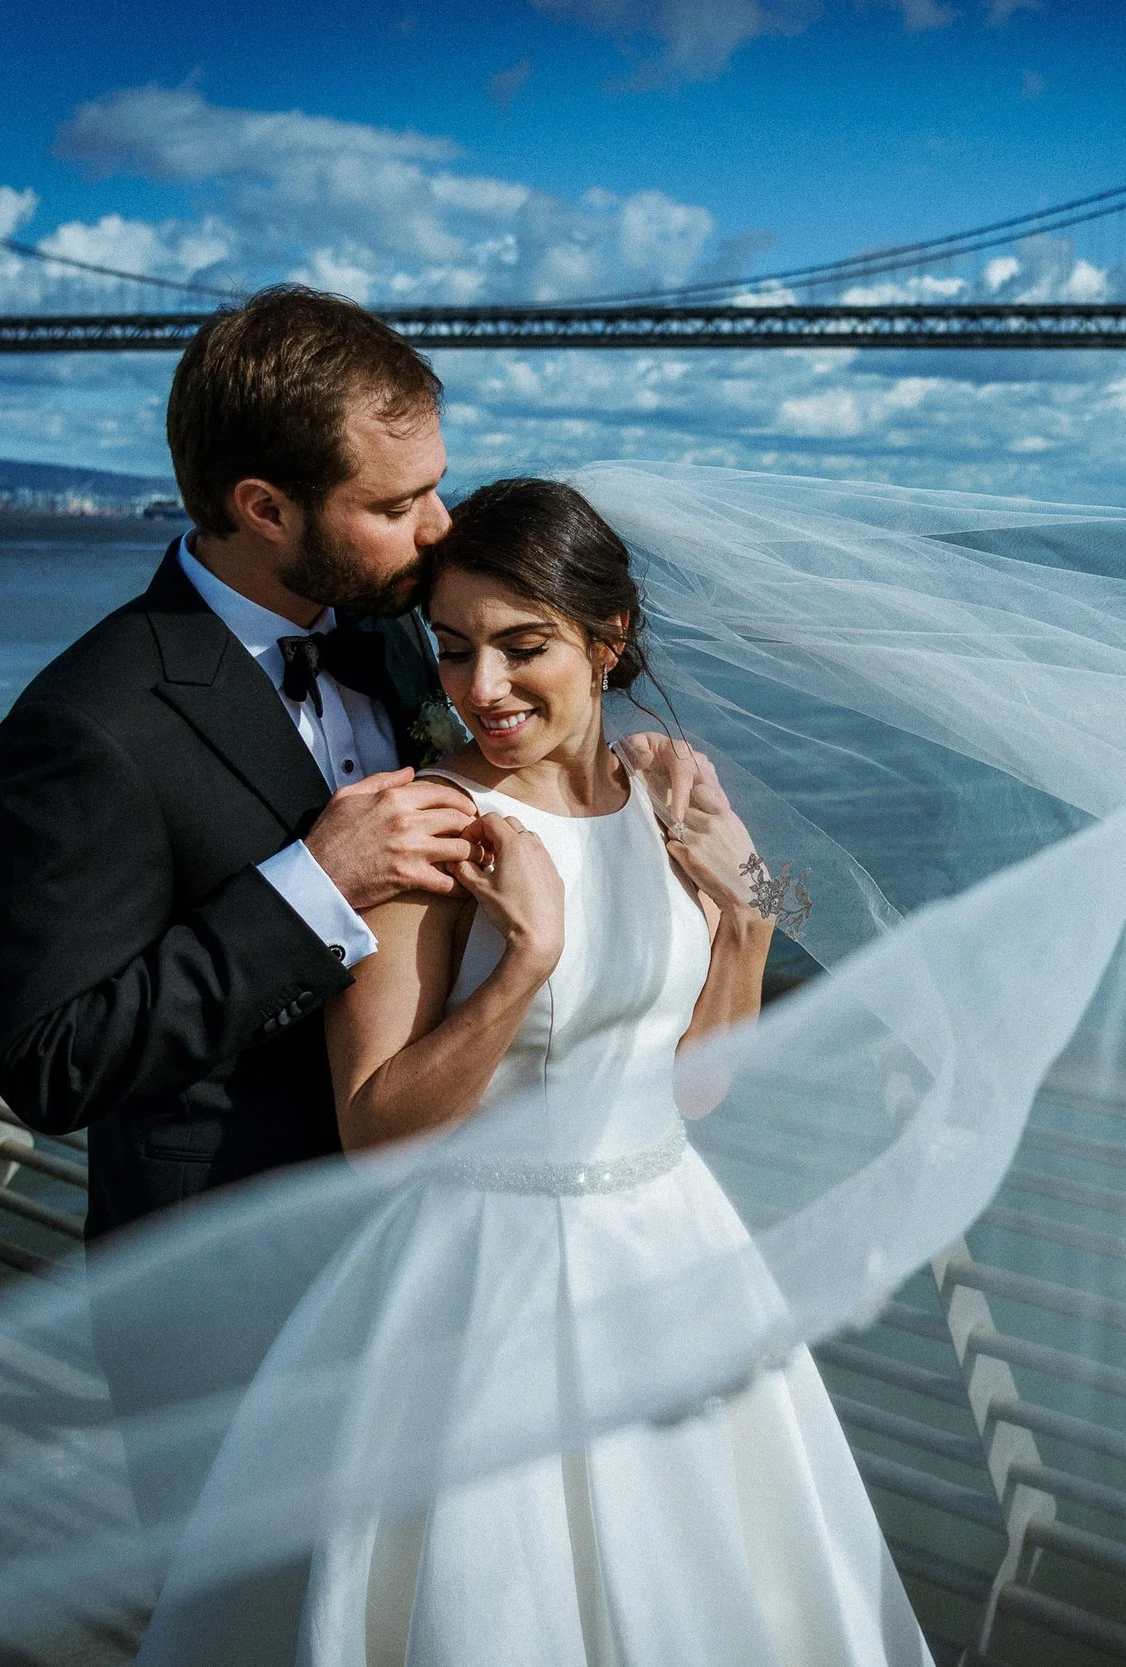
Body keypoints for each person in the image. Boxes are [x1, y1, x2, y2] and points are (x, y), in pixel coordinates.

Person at [286, 476, 932, 1666]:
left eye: (521, 647)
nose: (482, 689)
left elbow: (696, 1087)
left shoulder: (664, 793)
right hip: (487, 1288)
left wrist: (748, 915)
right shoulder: (424, 823)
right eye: (455, 649)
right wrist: (524, 962)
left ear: (608, 638)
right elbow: (373, 1136)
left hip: (679, 1252)